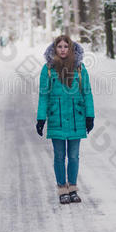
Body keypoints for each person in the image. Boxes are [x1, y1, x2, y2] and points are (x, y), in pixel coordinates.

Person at [35, 35, 95, 204]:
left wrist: (90, 115)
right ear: (55, 49)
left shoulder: (80, 68)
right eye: (59, 46)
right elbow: (43, 96)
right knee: (59, 156)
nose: (62, 49)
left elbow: (87, 93)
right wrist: (41, 119)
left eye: (65, 46)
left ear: (70, 49)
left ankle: (73, 188)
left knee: (74, 156)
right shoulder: (47, 69)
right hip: (57, 119)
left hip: (77, 118)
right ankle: (62, 189)